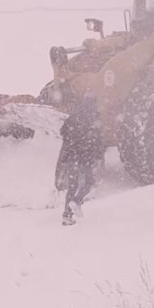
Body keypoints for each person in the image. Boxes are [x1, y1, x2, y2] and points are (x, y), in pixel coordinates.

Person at [56, 94, 104, 226]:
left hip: (72, 156)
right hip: (85, 157)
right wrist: (97, 155)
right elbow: (97, 140)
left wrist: (72, 144)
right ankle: (76, 202)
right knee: (89, 183)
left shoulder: (73, 117)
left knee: (72, 185)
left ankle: (67, 215)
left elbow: (63, 132)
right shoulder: (93, 119)